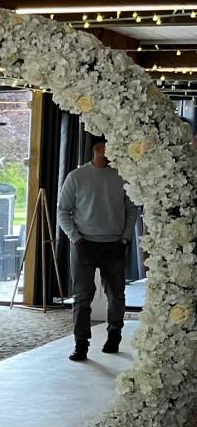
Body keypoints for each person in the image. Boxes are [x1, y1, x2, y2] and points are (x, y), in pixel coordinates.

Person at [56, 136, 137, 361]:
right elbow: (63, 210)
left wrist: (125, 237)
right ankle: (81, 344)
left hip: (114, 244)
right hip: (84, 244)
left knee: (116, 295)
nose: (111, 152)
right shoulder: (77, 176)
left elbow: (132, 209)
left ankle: (114, 335)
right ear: (98, 148)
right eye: (108, 147)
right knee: (82, 297)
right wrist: (75, 238)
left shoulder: (123, 177)